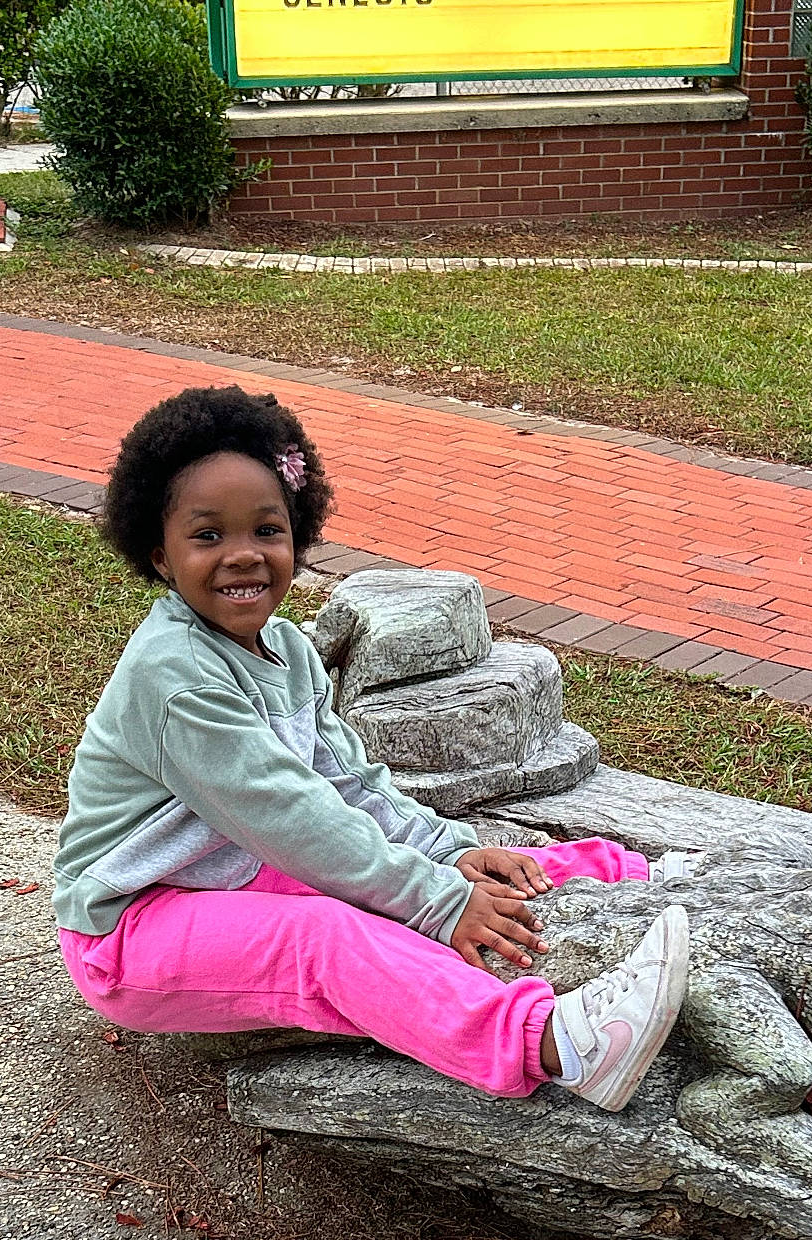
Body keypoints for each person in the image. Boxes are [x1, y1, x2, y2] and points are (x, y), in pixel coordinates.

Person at [54, 385, 689, 1114]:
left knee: (456, 863)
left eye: (267, 530)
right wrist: (440, 903)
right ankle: (558, 1045)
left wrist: (448, 852)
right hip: (132, 933)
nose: (243, 556)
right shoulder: (175, 677)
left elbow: (350, 786)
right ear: (159, 555)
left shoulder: (287, 648)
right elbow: (293, 819)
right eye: (207, 537)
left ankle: (643, 878)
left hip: (237, 877)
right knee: (324, 937)